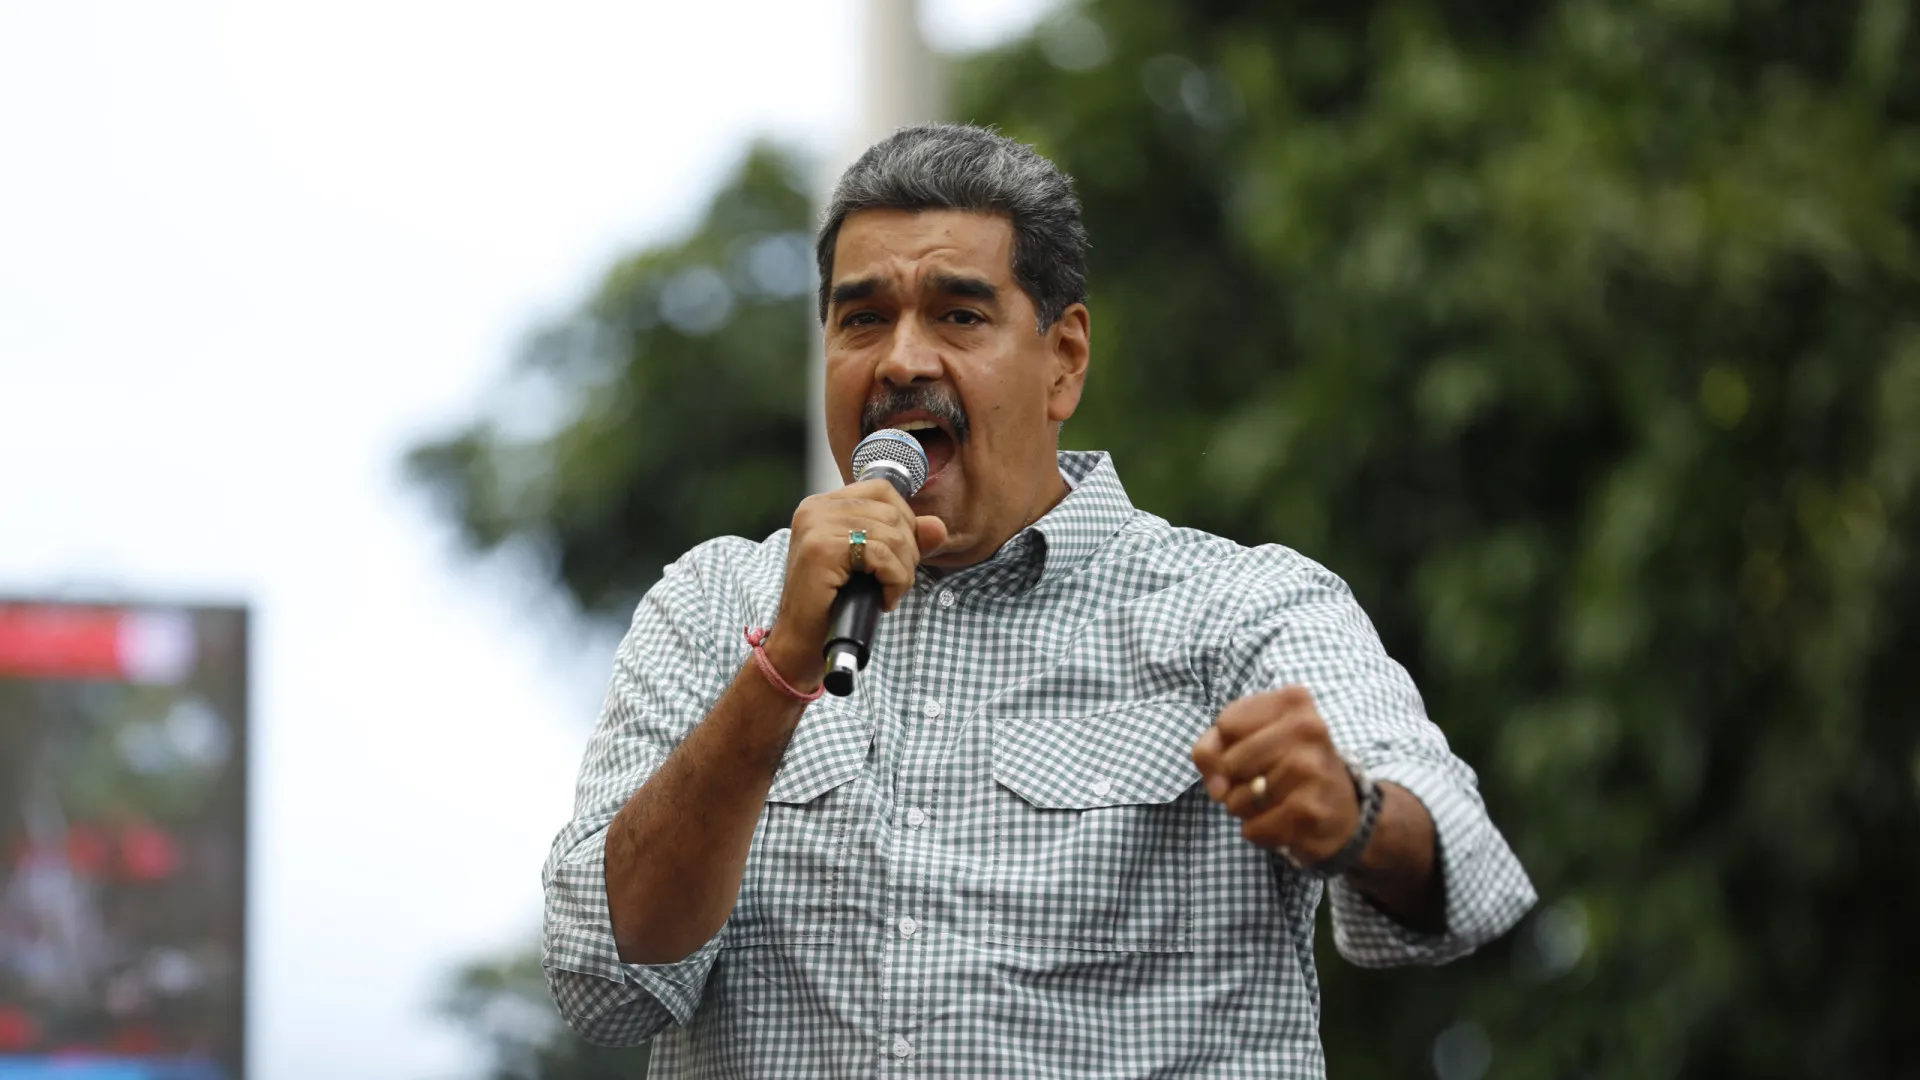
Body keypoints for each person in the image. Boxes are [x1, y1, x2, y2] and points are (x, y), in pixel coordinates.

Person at [542, 123, 1536, 1078]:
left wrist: (1354, 817)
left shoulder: (1241, 606)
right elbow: (602, 979)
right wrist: (777, 673)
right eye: (863, 319)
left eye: (959, 315)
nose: (901, 360)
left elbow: (1461, 863)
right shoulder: (710, 606)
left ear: (1064, 360)